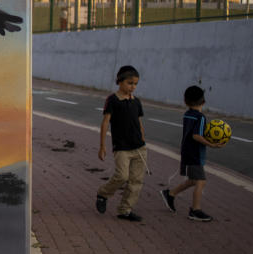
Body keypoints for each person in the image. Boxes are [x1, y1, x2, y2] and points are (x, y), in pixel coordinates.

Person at [159, 86, 224, 222]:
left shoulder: (187, 114)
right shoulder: (200, 117)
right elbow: (196, 136)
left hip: (187, 152)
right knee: (201, 181)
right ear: (203, 102)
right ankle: (195, 210)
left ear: (185, 101)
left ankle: (170, 194)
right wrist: (211, 144)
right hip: (194, 154)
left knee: (193, 180)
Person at [96, 65, 148, 221]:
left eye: (135, 84)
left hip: (139, 148)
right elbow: (105, 122)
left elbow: (139, 122)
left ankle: (125, 210)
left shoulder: (136, 102)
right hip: (122, 148)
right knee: (122, 176)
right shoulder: (112, 100)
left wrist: (143, 139)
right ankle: (103, 193)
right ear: (119, 81)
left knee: (136, 181)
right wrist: (102, 146)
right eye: (129, 83)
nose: (132, 87)